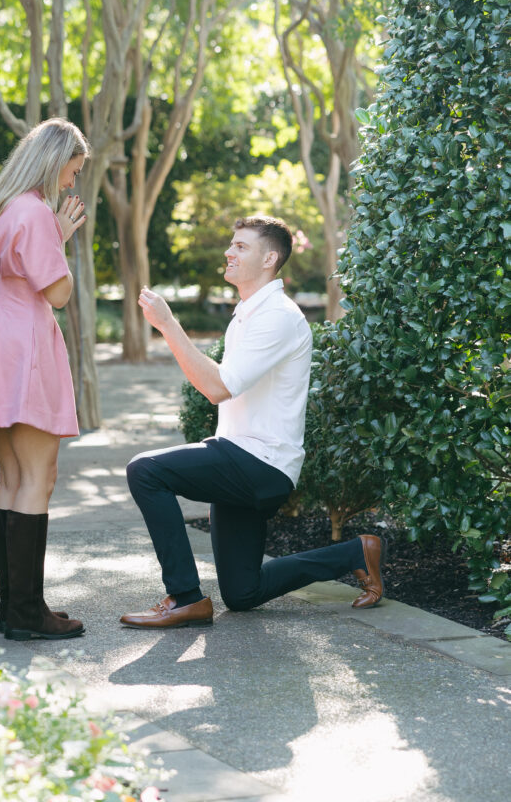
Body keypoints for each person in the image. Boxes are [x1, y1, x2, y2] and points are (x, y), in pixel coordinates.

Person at [120, 215, 385, 629]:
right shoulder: (248, 312)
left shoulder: (278, 315)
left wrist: (168, 325)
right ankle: (354, 553)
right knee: (243, 593)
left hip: (260, 462)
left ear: (270, 259)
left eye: (241, 246)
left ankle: (185, 598)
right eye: (232, 243)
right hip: (241, 458)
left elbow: (218, 387)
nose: (229, 251)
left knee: (145, 471)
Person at [0, 118, 90, 642]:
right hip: (26, 343)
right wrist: (63, 236)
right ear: (54, 162)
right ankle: (27, 613)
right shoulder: (34, 213)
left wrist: (56, 232)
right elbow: (57, 293)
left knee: (10, 476)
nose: (71, 184)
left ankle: (16, 609)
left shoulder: (3, 206)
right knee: (39, 476)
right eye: (72, 171)